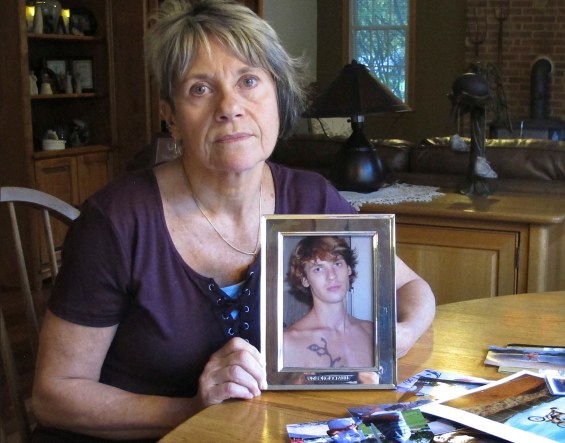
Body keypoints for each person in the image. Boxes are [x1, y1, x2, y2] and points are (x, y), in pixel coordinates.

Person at [30, 1, 435, 441]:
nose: (230, 107)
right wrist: (192, 409)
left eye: (248, 81)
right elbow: (55, 394)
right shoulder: (118, 222)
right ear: (171, 116)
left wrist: (398, 337)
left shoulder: (310, 198)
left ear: (277, 95)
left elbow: (413, 289)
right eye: (200, 89)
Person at [283, 236, 374, 368]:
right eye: (318, 269)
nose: (331, 276)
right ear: (305, 279)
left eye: (337, 264)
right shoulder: (287, 343)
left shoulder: (372, 332)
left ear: (348, 268)